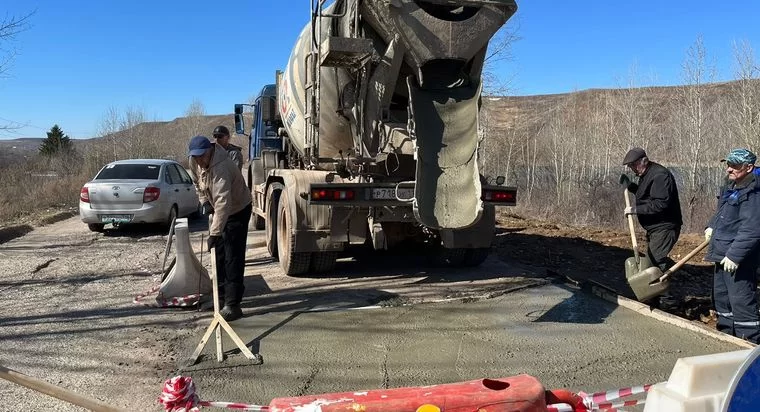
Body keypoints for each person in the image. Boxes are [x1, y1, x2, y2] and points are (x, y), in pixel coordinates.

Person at [188, 135, 252, 321]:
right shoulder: (195, 162)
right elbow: (197, 184)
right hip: (220, 211)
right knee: (219, 255)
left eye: (202, 156)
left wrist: (215, 233)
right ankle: (221, 298)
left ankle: (233, 305)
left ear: (209, 151)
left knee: (232, 257)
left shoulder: (221, 166)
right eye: (196, 157)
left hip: (237, 209)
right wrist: (205, 202)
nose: (199, 160)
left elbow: (224, 203)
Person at [704, 148, 760, 343]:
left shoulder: (753, 192)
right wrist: (711, 226)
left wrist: (735, 255)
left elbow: (752, 229)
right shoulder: (732, 186)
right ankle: (725, 338)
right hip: (721, 253)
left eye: (734, 165)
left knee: (741, 301)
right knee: (722, 298)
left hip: (739, 259)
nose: (729, 169)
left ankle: (749, 344)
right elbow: (722, 213)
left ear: (749, 167)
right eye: (728, 164)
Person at [619, 147, 683, 273]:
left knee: (654, 263)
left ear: (644, 161)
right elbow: (646, 195)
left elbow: (660, 203)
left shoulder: (660, 175)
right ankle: (653, 290)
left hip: (665, 228)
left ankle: (658, 291)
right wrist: (630, 186)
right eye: (630, 166)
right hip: (655, 228)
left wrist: (634, 209)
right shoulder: (646, 174)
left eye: (634, 165)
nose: (632, 169)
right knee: (652, 260)